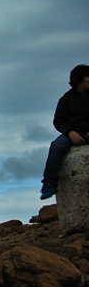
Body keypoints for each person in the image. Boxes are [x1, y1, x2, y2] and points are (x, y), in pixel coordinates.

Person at [40, 64, 89, 200]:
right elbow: (59, 120)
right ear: (80, 79)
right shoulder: (66, 99)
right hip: (73, 133)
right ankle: (49, 184)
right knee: (56, 145)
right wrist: (70, 132)